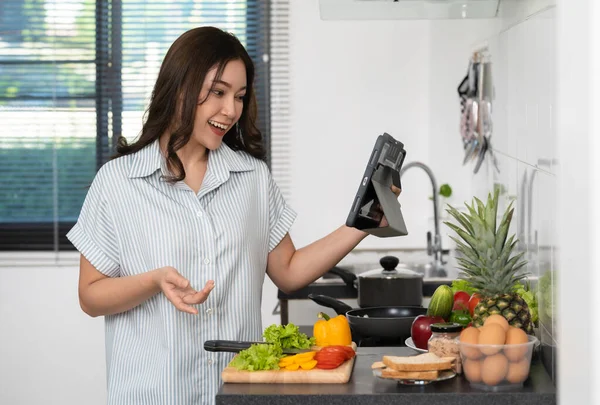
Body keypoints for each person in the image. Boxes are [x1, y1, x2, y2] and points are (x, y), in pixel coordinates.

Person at [68, 26, 399, 405]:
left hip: (238, 393)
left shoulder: (252, 178)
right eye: (218, 93)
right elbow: (90, 297)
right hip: (151, 394)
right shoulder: (118, 181)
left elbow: (289, 271)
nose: (230, 110)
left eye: (239, 97)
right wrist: (154, 280)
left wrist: (363, 222)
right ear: (180, 88)